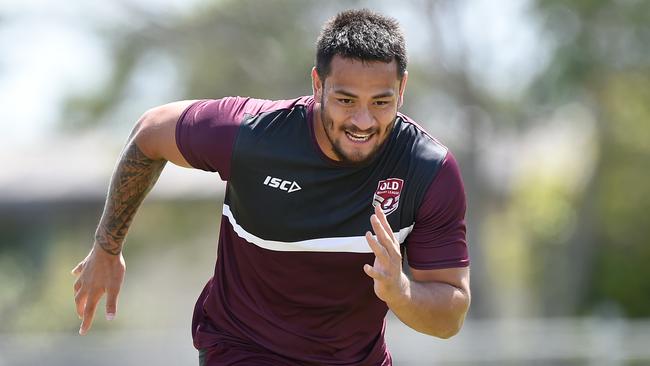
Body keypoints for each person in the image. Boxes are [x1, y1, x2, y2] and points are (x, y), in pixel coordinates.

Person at [71, 8, 470, 365]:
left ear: (401, 90)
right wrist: (107, 246)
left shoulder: (428, 170)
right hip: (242, 349)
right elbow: (151, 132)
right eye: (346, 101)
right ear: (318, 85)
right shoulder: (253, 135)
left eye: (381, 103)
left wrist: (400, 291)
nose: (363, 121)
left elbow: (450, 314)